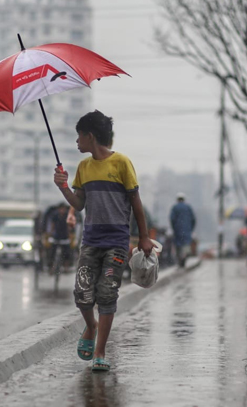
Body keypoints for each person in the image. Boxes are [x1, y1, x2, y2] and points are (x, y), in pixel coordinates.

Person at [54, 110, 154, 372]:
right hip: (91, 241)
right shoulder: (84, 167)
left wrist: (143, 236)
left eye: (79, 137)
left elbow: (135, 202)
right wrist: (63, 187)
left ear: (90, 136)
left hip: (117, 242)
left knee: (107, 293)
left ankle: (100, 351)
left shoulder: (121, 163)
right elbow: (79, 203)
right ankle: (91, 325)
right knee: (82, 294)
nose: (77, 142)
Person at [169, 193, 196, 268]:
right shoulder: (188, 208)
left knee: (178, 245)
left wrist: (174, 228)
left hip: (177, 230)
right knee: (186, 245)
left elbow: (172, 219)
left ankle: (180, 259)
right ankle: (184, 256)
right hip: (187, 230)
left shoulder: (175, 208)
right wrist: (191, 228)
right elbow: (193, 219)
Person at [46, 203, 72, 272]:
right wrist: (51, 233)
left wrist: (69, 234)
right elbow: (52, 225)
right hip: (56, 236)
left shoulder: (67, 216)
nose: (62, 210)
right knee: (52, 252)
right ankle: (51, 267)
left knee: (66, 252)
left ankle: (66, 267)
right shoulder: (55, 216)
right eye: (61, 209)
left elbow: (69, 226)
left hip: (64, 236)